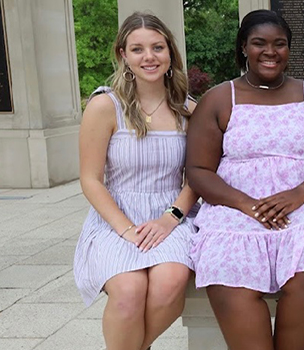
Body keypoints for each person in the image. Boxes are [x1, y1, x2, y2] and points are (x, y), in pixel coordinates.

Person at [185, 9, 304, 350]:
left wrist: (300, 194)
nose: (270, 51)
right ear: (244, 47)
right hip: (235, 204)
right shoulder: (218, 99)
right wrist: (247, 205)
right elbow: (199, 171)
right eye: (259, 43)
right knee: (225, 260)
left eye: (280, 44)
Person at [73, 12, 198, 350]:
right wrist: (126, 228)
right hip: (116, 217)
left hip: (171, 215)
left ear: (170, 53)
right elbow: (90, 179)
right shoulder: (104, 106)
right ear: (123, 55)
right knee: (128, 292)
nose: (149, 57)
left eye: (157, 47)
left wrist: (171, 218)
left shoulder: (189, 110)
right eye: (138, 49)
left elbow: (196, 178)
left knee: (169, 282)